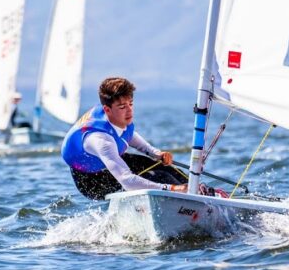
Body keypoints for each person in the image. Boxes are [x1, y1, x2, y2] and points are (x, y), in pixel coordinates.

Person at [62, 77, 225, 200]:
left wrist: (155, 153)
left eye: (130, 104)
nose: (129, 111)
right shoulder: (100, 140)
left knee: (163, 167)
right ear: (107, 109)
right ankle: (185, 198)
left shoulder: (116, 117)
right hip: (91, 180)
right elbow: (128, 181)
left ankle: (202, 192)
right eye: (122, 107)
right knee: (158, 177)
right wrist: (173, 189)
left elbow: (128, 134)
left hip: (107, 161)